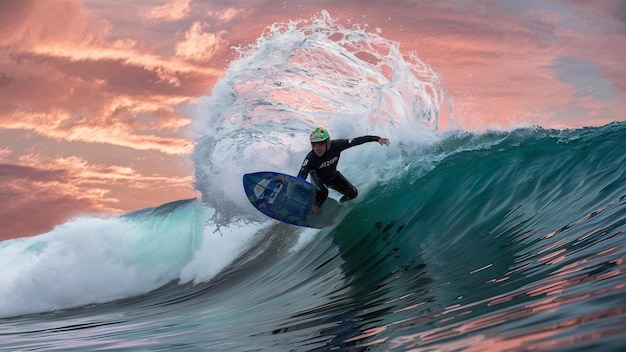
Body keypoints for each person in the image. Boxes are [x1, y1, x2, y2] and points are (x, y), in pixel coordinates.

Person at [297, 127, 390, 214]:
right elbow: (300, 177)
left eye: (321, 144)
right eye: (314, 144)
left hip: (332, 177)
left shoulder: (336, 145)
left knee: (353, 193)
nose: (317, 148)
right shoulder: (310, 158)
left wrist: (376, 139)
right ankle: (315, 208)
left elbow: (357, 141)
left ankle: (341, 203)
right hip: (317, 179)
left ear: (327, 142)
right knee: (323, 192)